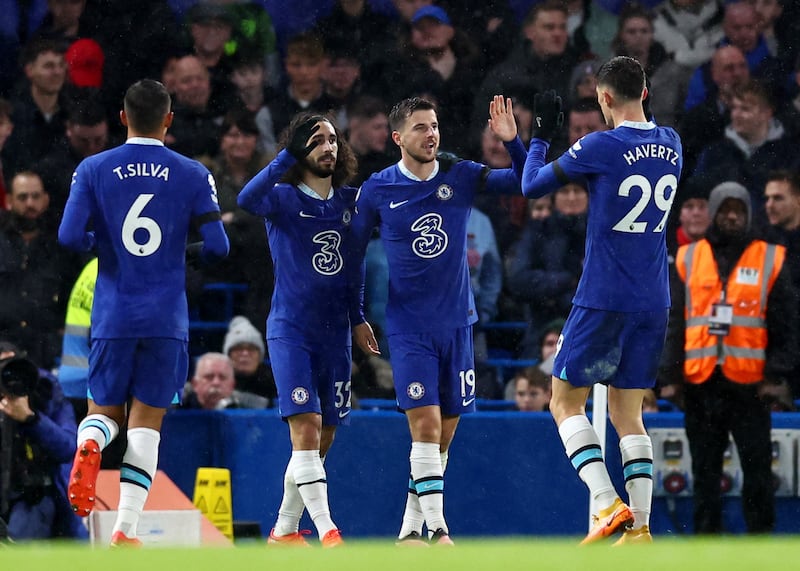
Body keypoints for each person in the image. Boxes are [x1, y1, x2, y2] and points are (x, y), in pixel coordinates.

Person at [57, 78, 230, 546]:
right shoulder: (193, 173)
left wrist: (104, 245)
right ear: (169, 120)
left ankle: (90, 442)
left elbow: (69, 237)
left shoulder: (93, 168)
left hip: (113, 312)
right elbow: (219, 246)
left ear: (122, 117)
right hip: (165, 317)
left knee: (104, 410)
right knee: (147, 423)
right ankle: (125, 530)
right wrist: (181, 249)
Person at [521, 56, 683, 545]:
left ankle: (608, 502)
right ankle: (642, 526)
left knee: (563, 401)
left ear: (604, 98)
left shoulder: (600, 145)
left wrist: (538, 140)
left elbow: (531, 186)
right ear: (646, 92)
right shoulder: (672, 143)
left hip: (603, 295)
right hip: (654, 298)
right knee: (627, 413)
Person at [350, 95, 525, 545]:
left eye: (435, 126)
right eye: (421, 128)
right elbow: (350, 257)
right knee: (424, 428)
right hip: (408, 329)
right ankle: (438, 529)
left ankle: (409, 529)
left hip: (459, 327)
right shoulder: (378, 188)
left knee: (441, 440)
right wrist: (356, 315)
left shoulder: (460, 175)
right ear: (397, 138)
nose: (431, 135)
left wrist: (514, 142)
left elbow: (526, 182)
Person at [237, 111, 377, 548]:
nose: (328, 146)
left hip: (335, 335)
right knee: (307, 426)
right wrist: (284, 157)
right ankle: (327, 529)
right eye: (316, 140)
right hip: (290, 330)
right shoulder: (281, 198)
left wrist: (356, 319)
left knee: (322, 437)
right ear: (298, 150)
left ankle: (283, 529)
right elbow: (245, 198)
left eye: (333, 139)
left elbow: (354, 269)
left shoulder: (351, 203)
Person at [659, 181, 797, 533]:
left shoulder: (769, 256)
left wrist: (777, 374)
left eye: (738, 210)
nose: (732, 217)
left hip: (751, 386)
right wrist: (671, 378)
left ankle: (760, 544)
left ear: (747, 214)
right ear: (713, 213)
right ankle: (707, 547)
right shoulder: (688, 257)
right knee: (704, 473)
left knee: (758, 472)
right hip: (700, 384)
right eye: (725, 210)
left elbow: (786, 323)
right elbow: (675, 321)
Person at [0, 340, 87, 540]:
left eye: (13, 367)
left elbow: (68, 448)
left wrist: (31, 418)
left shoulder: (44, 390)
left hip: (33, 496)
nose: (8, 376)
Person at [180, 352, 268, 410]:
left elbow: (267, 405)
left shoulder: (246, 402)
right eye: (209, 377)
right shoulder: (179, 400)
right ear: (195, 383)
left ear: (232, 385)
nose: (216, 383)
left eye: (222, 377)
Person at [222, 315, 276, 402]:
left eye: (251, 348)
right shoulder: (216, 379)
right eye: (238, 348)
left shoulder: (277, 382)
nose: (245, 353)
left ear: (260, 355)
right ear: (228, 355)